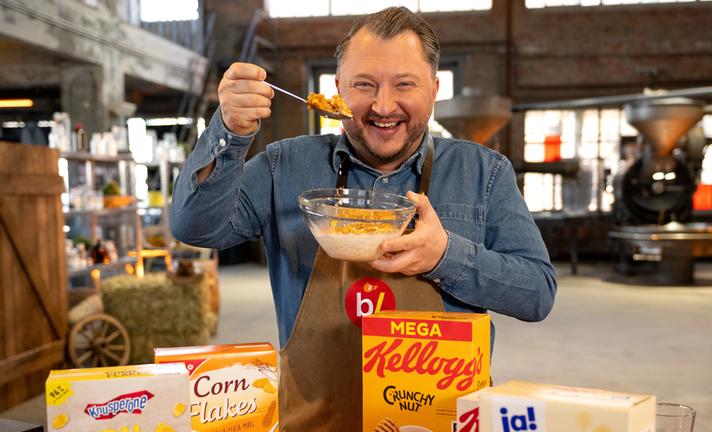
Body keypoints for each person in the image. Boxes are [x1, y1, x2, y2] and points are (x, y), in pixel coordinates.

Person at [171, 6, 556, 430]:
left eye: (404, 84)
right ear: (337, 89)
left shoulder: (484, 173)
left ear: (433, 88)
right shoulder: (285, 165)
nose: (383, 105)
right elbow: (194, 227)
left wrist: (446, 255)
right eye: (364, 84)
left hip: (438, 422)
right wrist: (229, 131)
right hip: (316, 421)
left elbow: (537, 293)